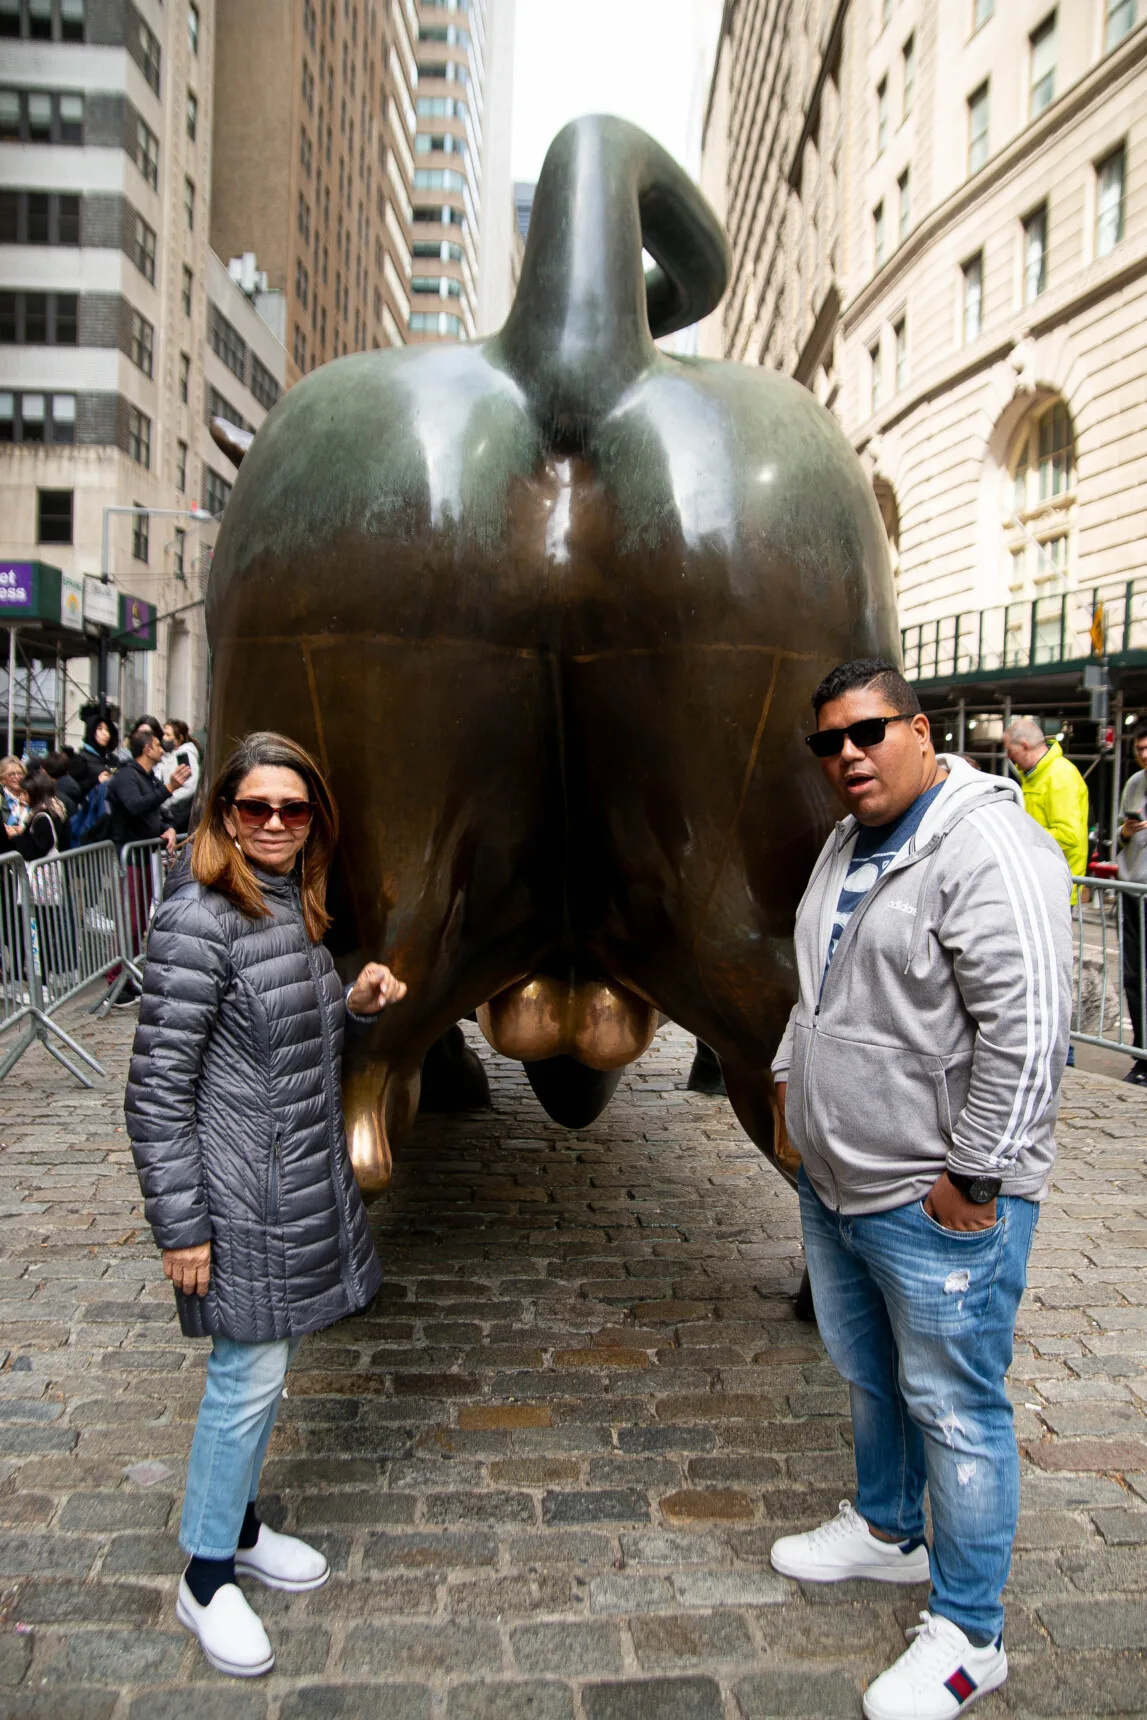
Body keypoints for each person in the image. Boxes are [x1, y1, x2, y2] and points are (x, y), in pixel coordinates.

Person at [768, 659, 1072, 1720]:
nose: (847, 754)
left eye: (867, 732)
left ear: (920, 727)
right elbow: (821, 974)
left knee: (955, 1405)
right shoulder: (847, 842)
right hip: (840, 1179)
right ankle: (889, 1527)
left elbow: (1030, 1031)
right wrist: (780, 1075)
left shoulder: (986, 843)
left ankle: (970, 1632)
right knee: (868, 1372)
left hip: (932, 1193)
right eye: (828, 742)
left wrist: (975, 1175)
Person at [125, 731, 405, 1678]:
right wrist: (182, 1226)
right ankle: (204, 1577)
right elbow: (158, 1084)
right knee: (244, 1380)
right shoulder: (200, 915)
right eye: (256, 809)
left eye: (294, 809)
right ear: (224, 816)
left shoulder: (287, 903)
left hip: (288, 1177)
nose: (276, 824)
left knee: (264, 1372)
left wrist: (353, 1001)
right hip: (236, 1192)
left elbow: (282, 1028)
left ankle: (237, 1527)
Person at [1116, 719, 1147, 1085]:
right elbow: (1121, 843)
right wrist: (1125, 833)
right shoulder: (1134, 784)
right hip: (1132, 890)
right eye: (1139, 749)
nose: (1143, 755)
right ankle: (1141, 1054)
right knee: (1134, 976)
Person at [157, 719, 201, 833]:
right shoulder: (167, 755)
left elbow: (190, 786)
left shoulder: (184, 756)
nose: (164, 738)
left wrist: (168, 801)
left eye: (168, 735)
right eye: (164, 734)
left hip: (178, 814)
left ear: (179, 738)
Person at [70, 713, 118, 799]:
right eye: (100, 729)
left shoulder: (113, 759)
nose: (105, 734)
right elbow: (75, 790)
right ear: (91, 731)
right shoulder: (81, 759)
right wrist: (97, 781)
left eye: (107, 729)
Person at [1, 754, 28, 835]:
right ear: (2, 779)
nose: (17, 777)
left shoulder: (31, 796)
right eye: (11, 774)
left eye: (20, 773)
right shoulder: (1, 798)